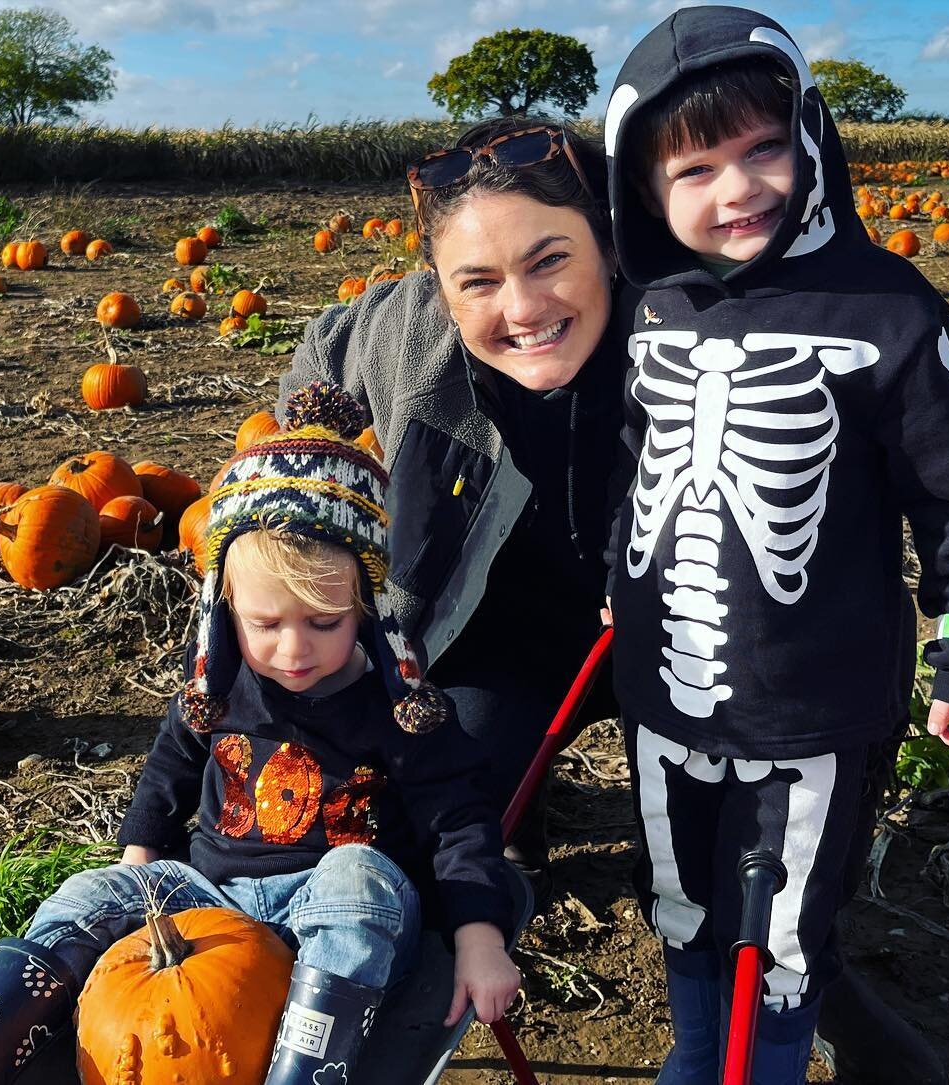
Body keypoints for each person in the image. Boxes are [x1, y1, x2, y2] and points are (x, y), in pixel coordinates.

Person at [0, 383, 520, 1085]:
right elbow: (171, 762)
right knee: (91, 891)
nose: (294, 649)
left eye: (324, 623)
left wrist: (479, 936)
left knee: (358, 873)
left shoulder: (398, 707)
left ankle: (307, 1071)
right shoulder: (221, 680)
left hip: (334, 917)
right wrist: (137, 862)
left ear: (363, 602)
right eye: (266, 624)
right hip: (214, 900)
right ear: (226, 606)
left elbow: (457, 816)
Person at [600, 7, 949, 1083]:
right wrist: (617, 574)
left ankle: (770, 1064)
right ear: (644, 187)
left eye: (762, 149)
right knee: (683, 900)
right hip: (662, 698)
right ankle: (700, 1053)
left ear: (812, 136)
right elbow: (630, 461)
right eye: (695, 167)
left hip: (816, 710)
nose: (737, 189)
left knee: (785, 929)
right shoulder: (646, 305)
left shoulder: (888, 308)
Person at [279, 116, 626, 901]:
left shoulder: (682, 332)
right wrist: (318, 449)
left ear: (606, 243)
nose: (524, 307)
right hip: (489, 636)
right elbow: (322, 345)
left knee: (696, 849)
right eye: (478, 281)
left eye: (550, 261)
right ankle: (519, 829)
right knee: (454, 812)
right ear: (441, 287)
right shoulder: (407, 330)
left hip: (657, 636)